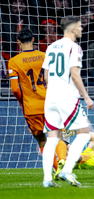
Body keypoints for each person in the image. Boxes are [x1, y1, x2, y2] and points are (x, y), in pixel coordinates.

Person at [42, 16, 94, 187]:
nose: (82, 29)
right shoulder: (75, 48)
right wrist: (86, 96)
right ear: (72, 29)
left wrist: (53, 92)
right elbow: (74, 74)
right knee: (84, 134)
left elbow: (46, 76)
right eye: (80, 27)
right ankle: (67, 170)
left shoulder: (50, 47)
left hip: (50, 97)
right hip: (66, 96)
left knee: (52, 138)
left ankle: (47, 180)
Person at [8, 29, 67, 180]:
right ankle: (62, 162)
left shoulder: (14, 61)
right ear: (33, 39)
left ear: (19, 42)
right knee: (58, 136)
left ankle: (56, 169)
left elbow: (15, 89)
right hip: (50, 104)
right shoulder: (45, 56)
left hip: (31, 107)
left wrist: (23, 99)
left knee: (42, 140)